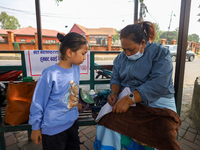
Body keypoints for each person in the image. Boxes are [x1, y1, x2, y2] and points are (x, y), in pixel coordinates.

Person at [94, 21, 180, 150]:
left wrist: (129, 99)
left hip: (160, 103)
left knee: (163, 133)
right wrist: (114, 93)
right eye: (124, 49)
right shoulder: (120, 58)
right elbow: (116, 79)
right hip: (130, 102)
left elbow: (159, 84)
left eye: (131, 49)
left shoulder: (160, 53)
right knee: (107, 122)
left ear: (143, 43)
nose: (127, 54)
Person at [29, 32, 88, 150]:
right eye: (83, 53)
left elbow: (72, 90)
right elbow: (38, 101)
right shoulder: (50, 74)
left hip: (72, 123)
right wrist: (35, 127)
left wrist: (76, 103)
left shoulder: (75, 69)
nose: (85, 58)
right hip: (54, 129)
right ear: (69, 52)